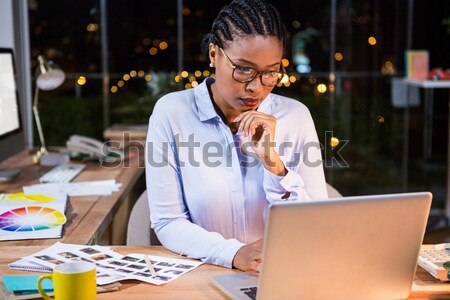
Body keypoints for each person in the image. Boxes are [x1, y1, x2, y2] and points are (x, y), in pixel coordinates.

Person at [145, 0, 327, 272]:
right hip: (204, 274)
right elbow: (167, 222)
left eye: (270, 72)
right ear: (214, 54)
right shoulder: (172, 113)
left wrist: (274, 166)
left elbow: (317, 223)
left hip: (281, 273)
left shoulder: (295, 116)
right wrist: (233, 254)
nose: (256, 87)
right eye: (243, 69)